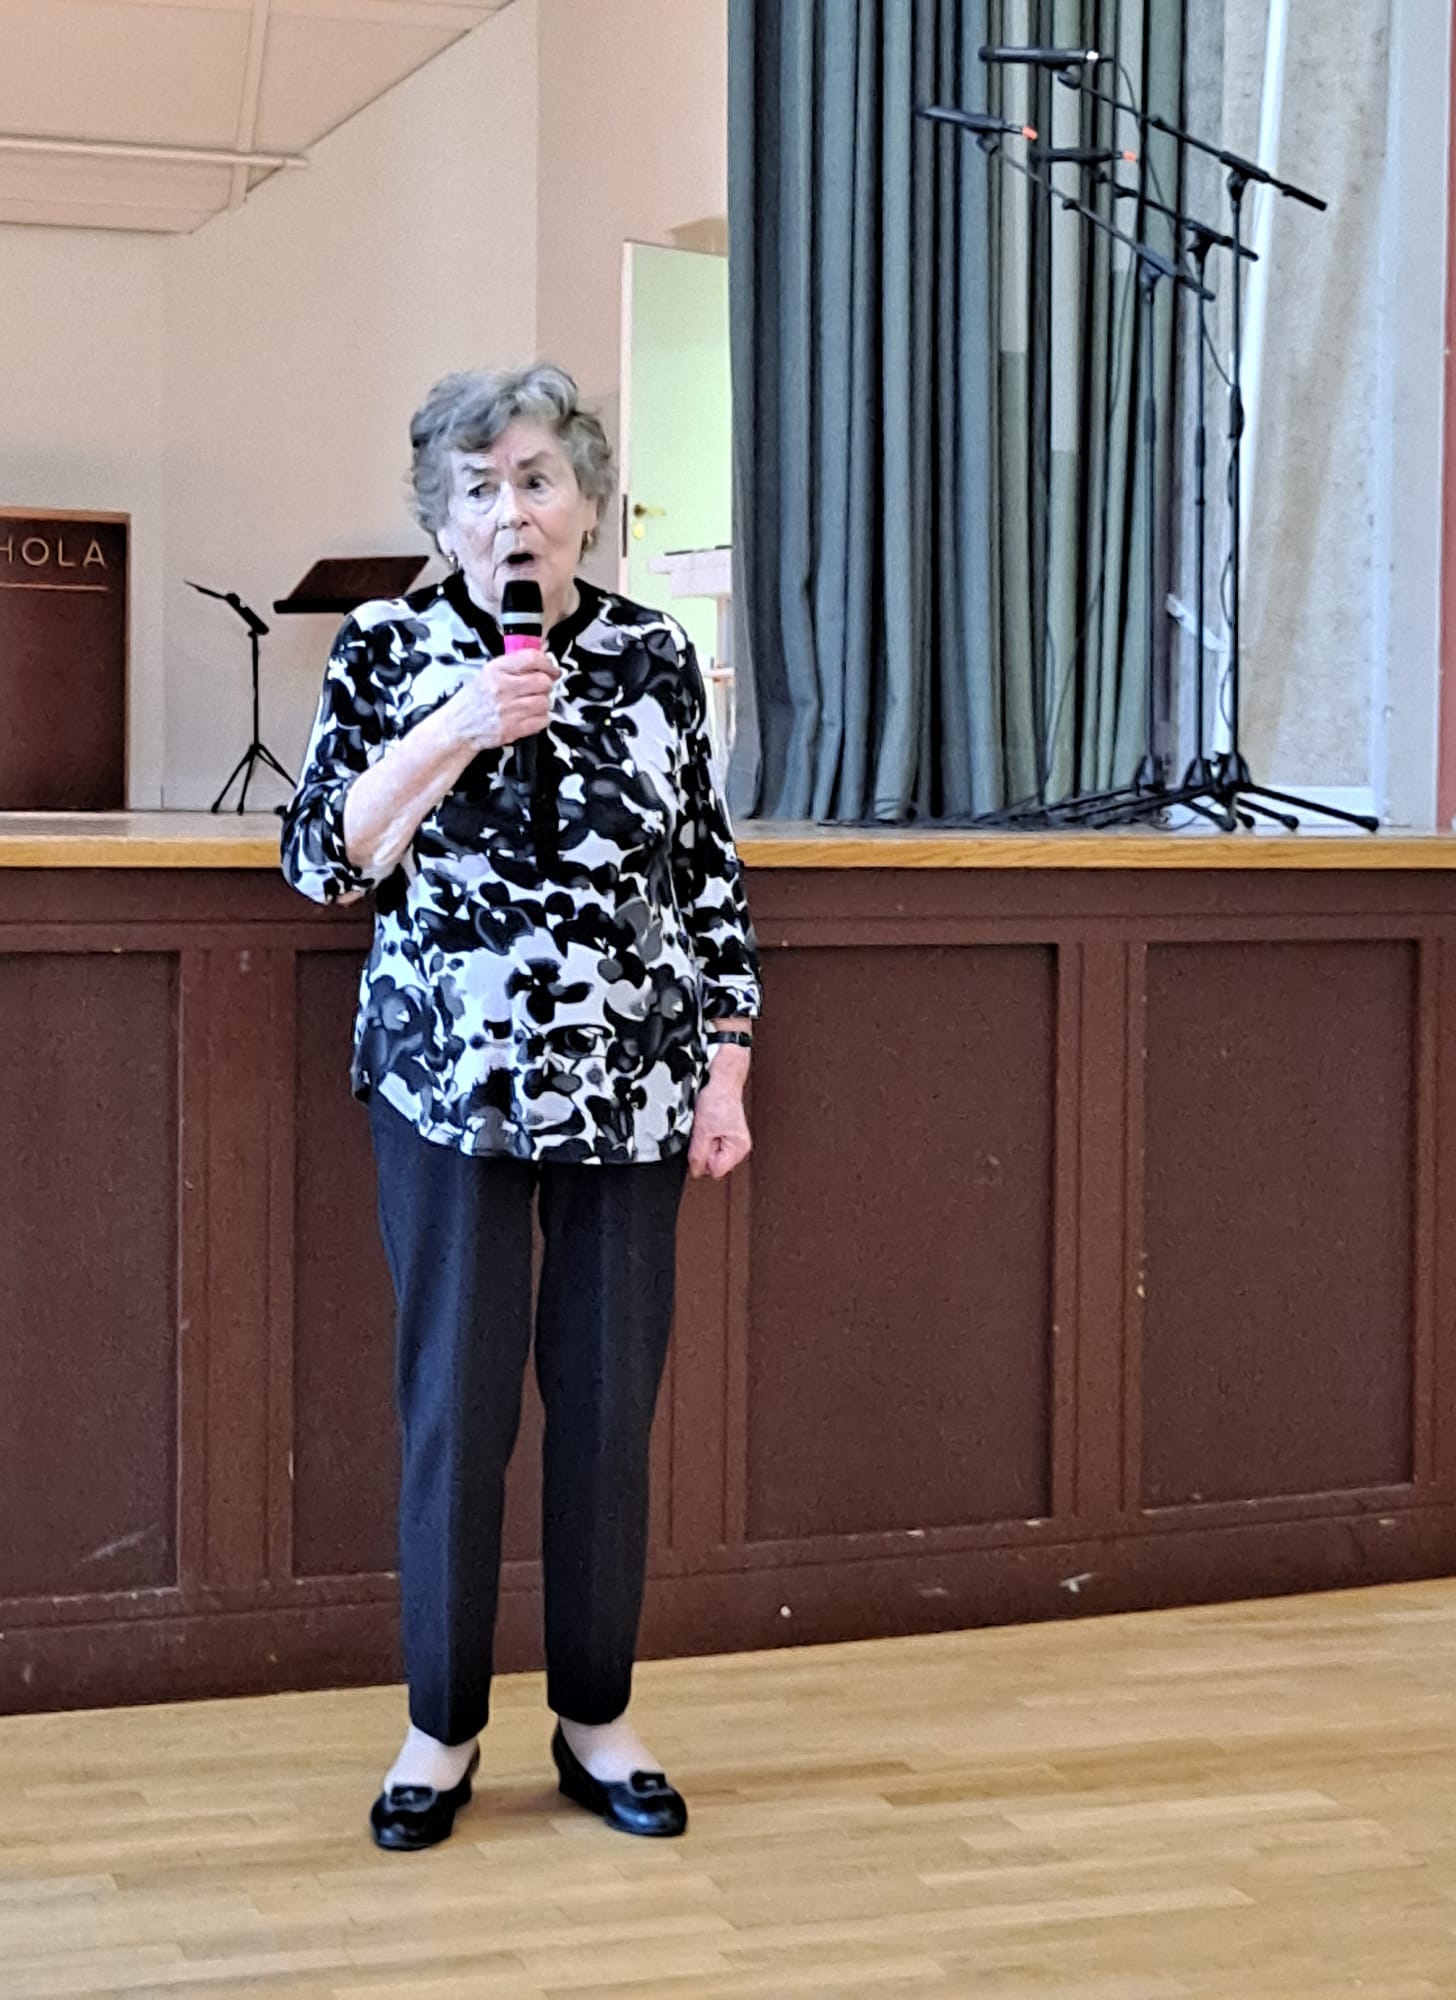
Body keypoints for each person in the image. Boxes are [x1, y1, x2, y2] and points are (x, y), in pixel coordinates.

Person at [280, 362, 761, 1849]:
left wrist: (727, 1060)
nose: (511, 512)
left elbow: (705, 871)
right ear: (441, 518)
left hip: (633, 1086)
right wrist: (457, 726)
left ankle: (596, 1718)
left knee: (609, 1415)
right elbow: (321, 860)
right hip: (447, 1086)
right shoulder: (385, 646)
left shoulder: (656, 655)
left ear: (588, 505)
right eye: (477, 488)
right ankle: (440, 1728)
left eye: (537, 480)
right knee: (457, 1409)